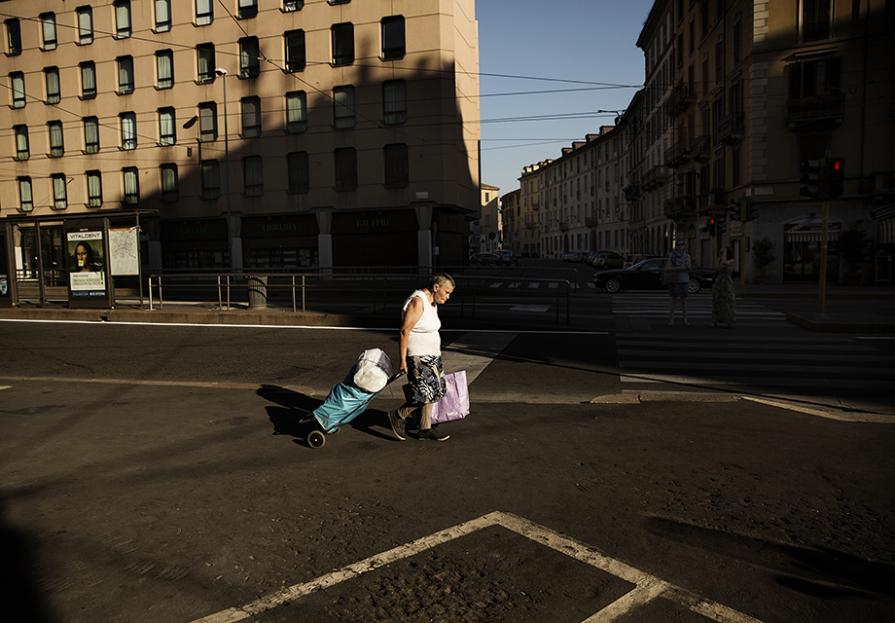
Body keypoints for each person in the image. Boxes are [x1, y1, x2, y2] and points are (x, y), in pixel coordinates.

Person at [387, 273, 456, 442]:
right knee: (424, 393)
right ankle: (398, 415)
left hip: (432, 355)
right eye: (446, 292)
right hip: (418, 357)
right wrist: (403, 361)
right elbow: (404, 331)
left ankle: (424, 428)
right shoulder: (418, 301)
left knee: (436, 391)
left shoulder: (432, 302)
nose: (448, 297)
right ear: (436, 287)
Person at [664, 241, 691, 325]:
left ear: (684, 246)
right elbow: (668, 268)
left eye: (681, 244)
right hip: (674, 280)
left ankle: (685, 319)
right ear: (676, 246)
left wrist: (675, 267)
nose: (680, 246)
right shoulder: (672, 255)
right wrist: (681, 267)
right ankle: (671, 319)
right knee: (674, 300)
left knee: (684, 301)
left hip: (684, 280)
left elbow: (689, 267)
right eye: (678, 245)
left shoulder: (687, 256)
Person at [712, 246, 737, 328]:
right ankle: (716, 320)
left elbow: (725, 264)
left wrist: (723, 256)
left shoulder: (731, 260)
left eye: (723, 252)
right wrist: (720, 258)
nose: (721, 253)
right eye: (721, 252)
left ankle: (728, 321)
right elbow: (718, 269)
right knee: (717, 300)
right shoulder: (719, 260)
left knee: (728, 301)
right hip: (719, 281)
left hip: (727, 282)